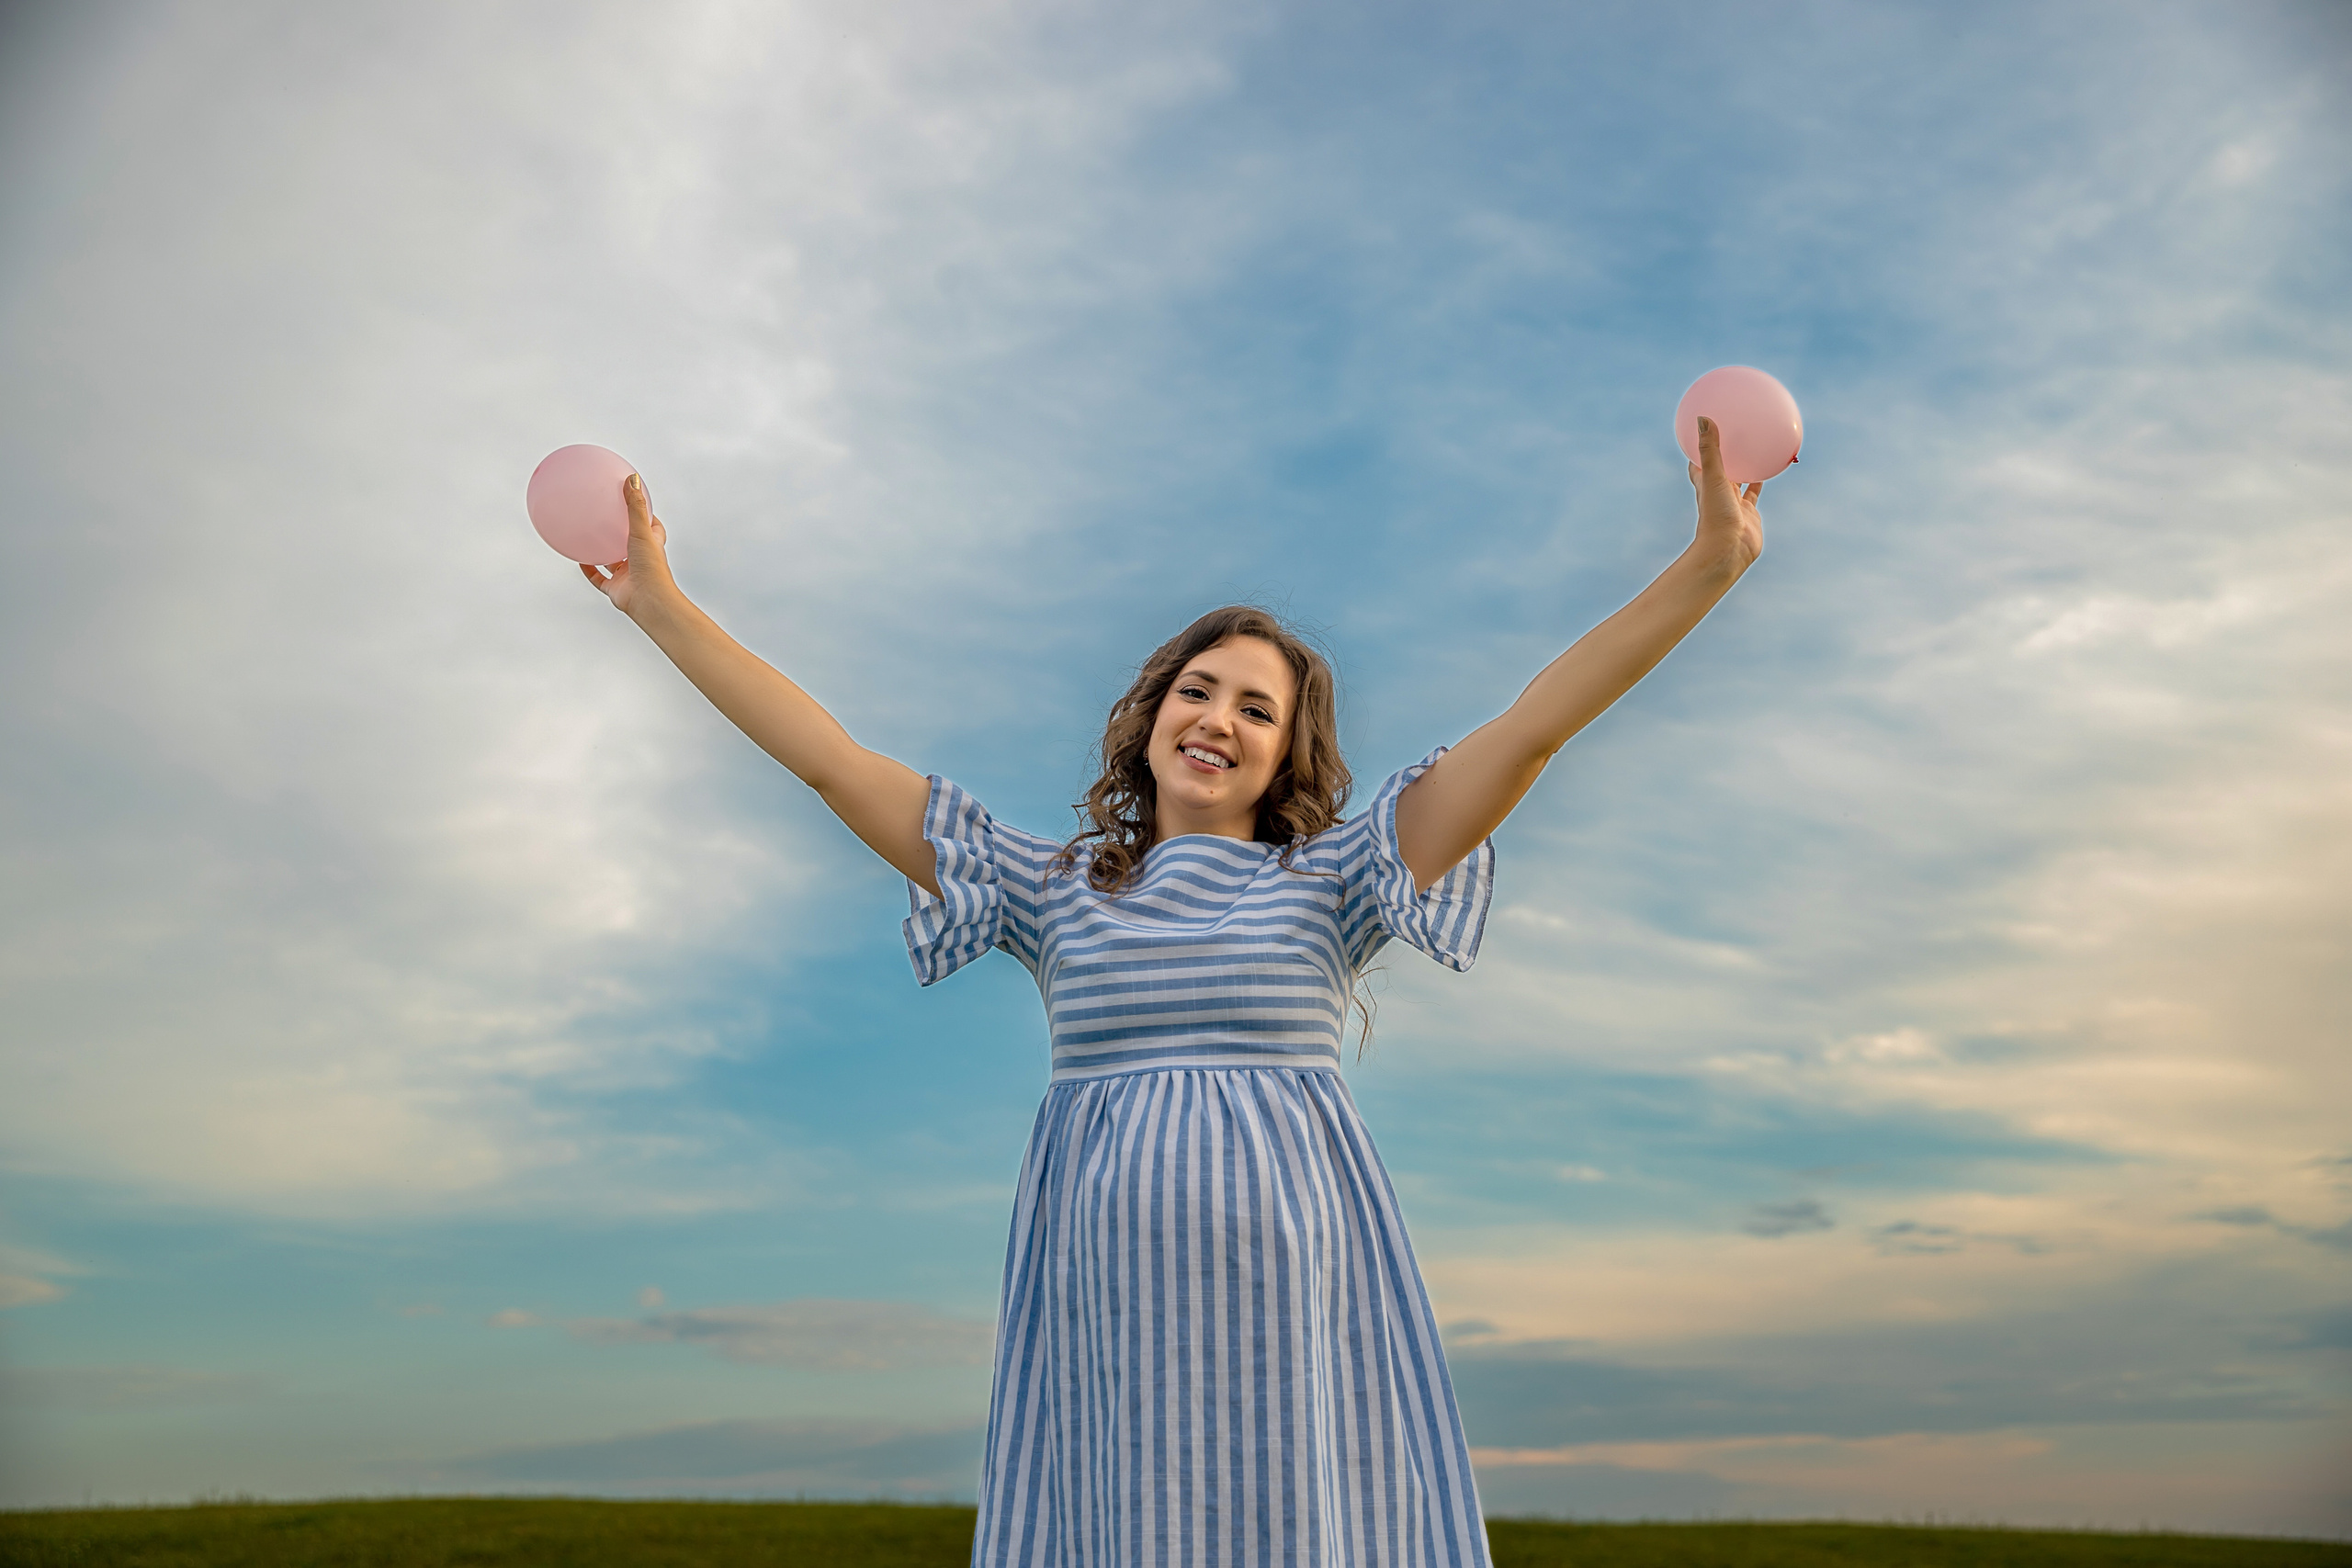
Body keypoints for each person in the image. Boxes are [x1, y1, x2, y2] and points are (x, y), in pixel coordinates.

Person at [584, 419, 1765, 1568]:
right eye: (1200, 690)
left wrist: (1705, 568)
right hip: (1109, 1309)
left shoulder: (1335, 879)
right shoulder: (1048, 890)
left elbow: (1529, 733)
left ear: (1287, 754)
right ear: (1151, 715)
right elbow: (829, 759)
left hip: (1299, 1298)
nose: (1219, 720)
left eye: (1258, 709)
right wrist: (662, 608)